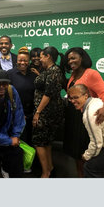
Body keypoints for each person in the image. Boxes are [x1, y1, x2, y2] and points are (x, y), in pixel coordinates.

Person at [63, 47, 104, 177]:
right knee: (77, 155)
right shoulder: (73, 75)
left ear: (82, 58)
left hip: (86, 121)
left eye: (73, 58)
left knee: (89, 156)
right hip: (74, 119)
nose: (70, 61)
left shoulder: (91, 73)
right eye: (69, 59)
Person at [32, 46, 66, 178]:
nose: (39, 59)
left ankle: (45, 173)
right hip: (49, 112)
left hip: (46, 113)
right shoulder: (50, 71)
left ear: (48, 57)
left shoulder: (54, 71)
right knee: (46, 141)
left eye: (41, 56)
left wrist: (38, 112)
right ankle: (49, 167)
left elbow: (48, 94)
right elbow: (48, 85)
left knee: (39, 141)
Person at [7, 47, 36, 146]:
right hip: (16, 116)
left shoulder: (33, 75)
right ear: (16, 60)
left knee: (30, 142)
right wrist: (18, 113)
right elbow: (7, 96)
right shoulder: (10, 74)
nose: (22, 62)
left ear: (29, 61)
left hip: (31, 116)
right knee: (18, 143)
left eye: (25, 60)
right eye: (20, 60)